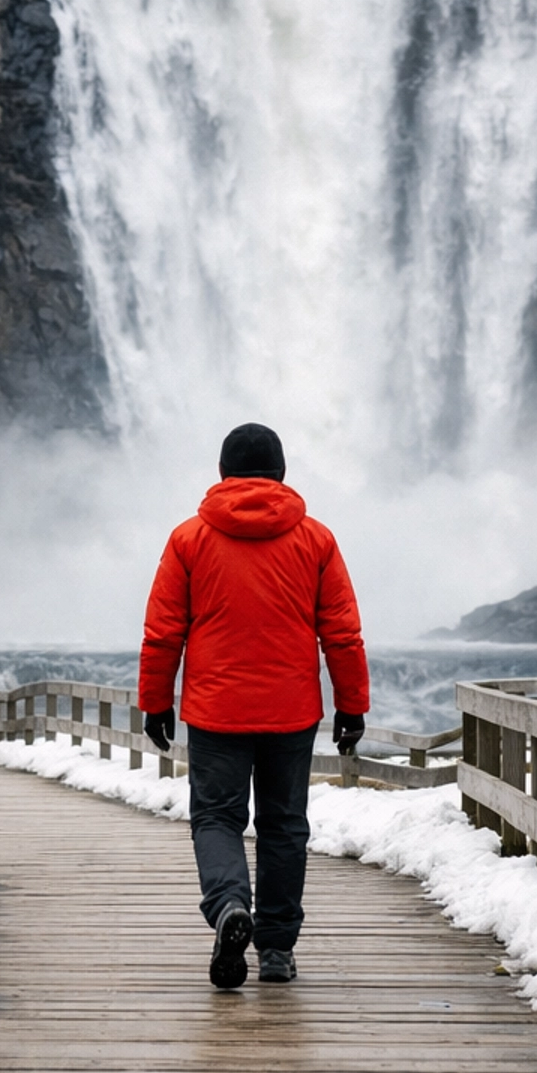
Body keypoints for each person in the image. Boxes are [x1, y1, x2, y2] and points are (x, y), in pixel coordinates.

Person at [138, 422, 369, 991]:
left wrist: (155, 701)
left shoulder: (188, 539)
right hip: (291, 711)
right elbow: (342, 633)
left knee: (217, 817)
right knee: (284, 825)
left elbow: (163, 632)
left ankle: (228, 908)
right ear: (282, 473)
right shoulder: (316, 539)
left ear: (222, 473)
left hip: (216, 710)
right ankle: (277, 950)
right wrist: (351, 705)